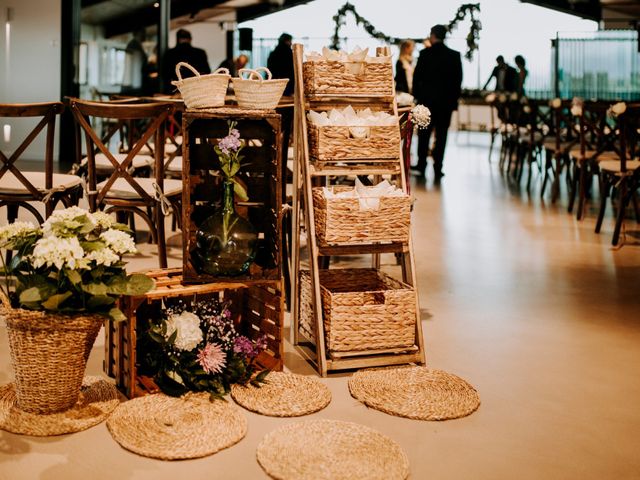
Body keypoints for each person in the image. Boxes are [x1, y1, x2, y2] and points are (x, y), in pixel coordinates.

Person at [412, 24, 462, 182]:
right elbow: (457, 81)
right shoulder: (454, 56)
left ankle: (421, 165)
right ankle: (438, 167)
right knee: (442, 136)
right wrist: (453, 102)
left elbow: (416, 78)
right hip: (445, 105)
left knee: (423, 134)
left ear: (433, 36)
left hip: (426, 103)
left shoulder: (425, 54)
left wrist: (417, 98)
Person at [163, 29, 211, 93]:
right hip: (196, 89)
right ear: (190, 39)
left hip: (177, 89)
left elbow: (165, 74)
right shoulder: (200, 53)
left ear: (177, 39)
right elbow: (207, 72)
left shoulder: (170, 53)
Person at [121, 30, 148, 95]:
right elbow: (138, 63)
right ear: (139, 33)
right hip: (133, 85)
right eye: (143, 33)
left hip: (131, 84)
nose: (144, 35)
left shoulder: (134, 44)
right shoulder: (134, 44)